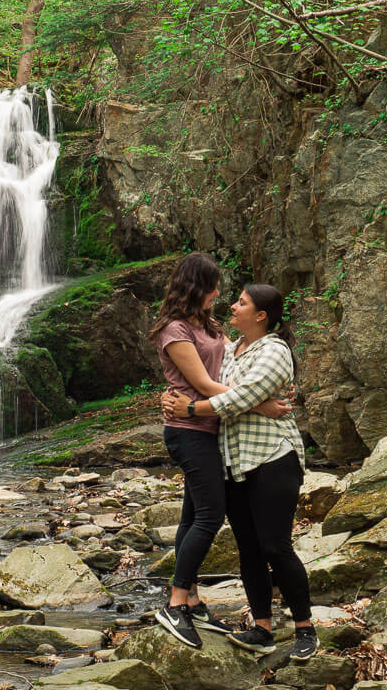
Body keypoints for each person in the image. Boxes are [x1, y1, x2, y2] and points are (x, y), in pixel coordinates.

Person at [163, 283, 318, 661]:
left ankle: (304, 628)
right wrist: (172, 394)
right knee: (248, 549)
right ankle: (262, 628)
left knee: (275, 546)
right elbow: (208, 384)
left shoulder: (275, 351)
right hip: (234, 462)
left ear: (261, 315)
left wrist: (190, 410)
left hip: (272, 459)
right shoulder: (233, 349)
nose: (233, 305)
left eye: (242, 303)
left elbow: (235, 398)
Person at [149, 255, 291, 649]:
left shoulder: (206, 325)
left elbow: (238, 361)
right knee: (211, 515)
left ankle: (192, 599)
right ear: (198, 287)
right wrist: (261, 403)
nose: (218, 294)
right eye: (213, 286)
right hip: (188, 430)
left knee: (193, 513)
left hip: (211, 430)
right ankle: (176, 601)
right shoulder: (175, 331)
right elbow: (205, 384)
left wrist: (271, 386)